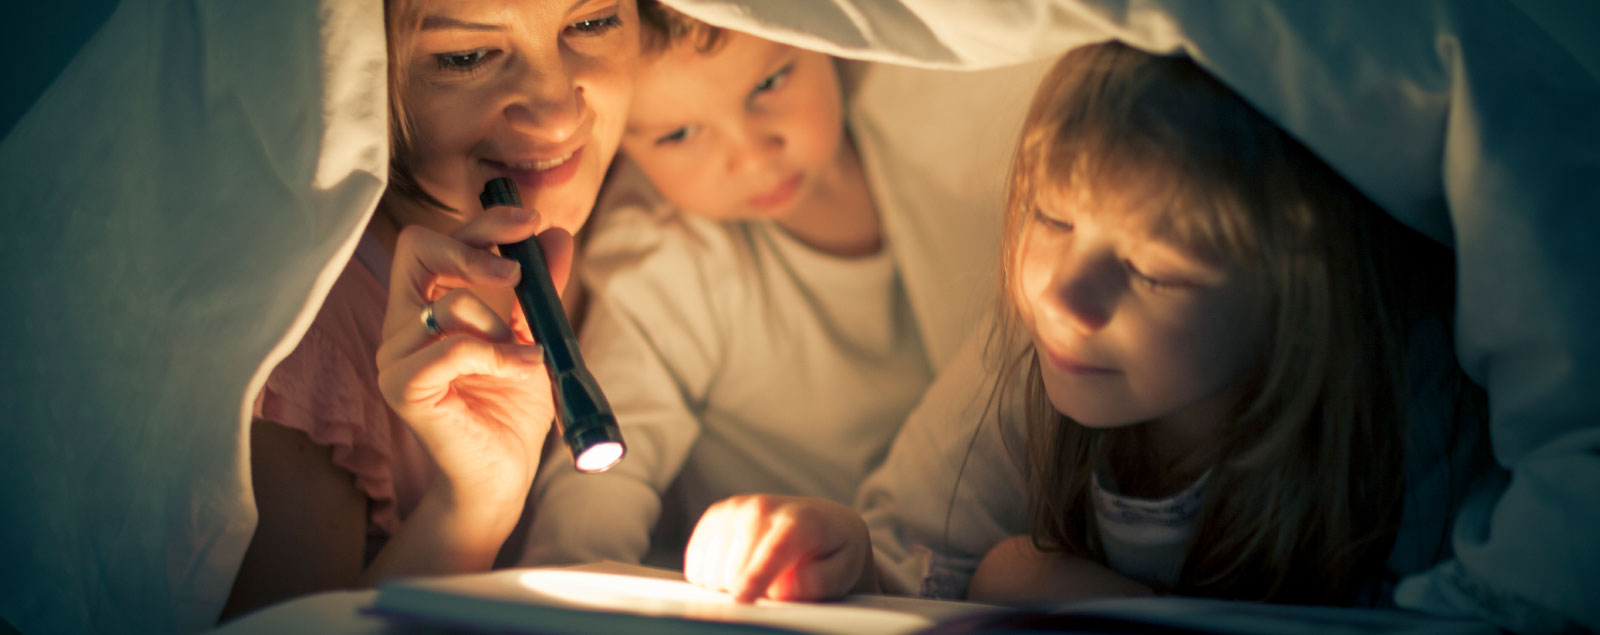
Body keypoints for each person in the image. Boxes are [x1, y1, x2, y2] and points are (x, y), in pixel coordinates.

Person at [679, 41, 1490, 607]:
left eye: (1153, 269)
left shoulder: (1394, 407)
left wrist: (1048, 584)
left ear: (1299, 301)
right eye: (1052, 218)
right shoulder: (1029, 364)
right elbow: (916, 548)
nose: (1063, 297)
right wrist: (843, 548)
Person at [219, 0, 640, 620]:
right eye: (464, 57)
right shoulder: (303, 342)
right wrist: (472, 505)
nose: (556, 111)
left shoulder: (644, 183)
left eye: (591, 23)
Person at [519, 2, 937, 569]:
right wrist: (567, 591)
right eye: (680, 134)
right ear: (624, 151)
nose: (751, 155)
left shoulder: (914, 128)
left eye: (769, 82)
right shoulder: (666, 255)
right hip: (799, 581)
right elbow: (609, 468)